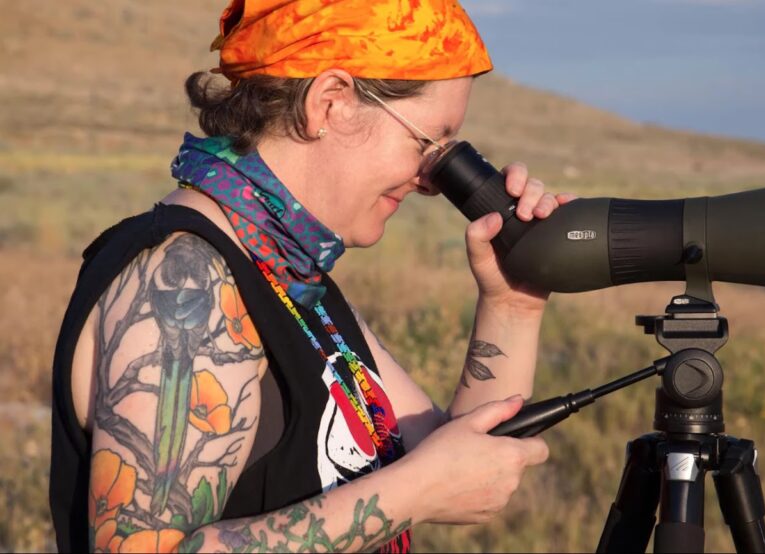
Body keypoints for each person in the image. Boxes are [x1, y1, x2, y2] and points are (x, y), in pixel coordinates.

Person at [48, 1, 576, 552]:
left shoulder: (290, 277)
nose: (431, 182)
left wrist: (513, 301)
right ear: (332, 103)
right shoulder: (185, 280)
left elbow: (466, 463)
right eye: (428, 145)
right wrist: (413, 494)